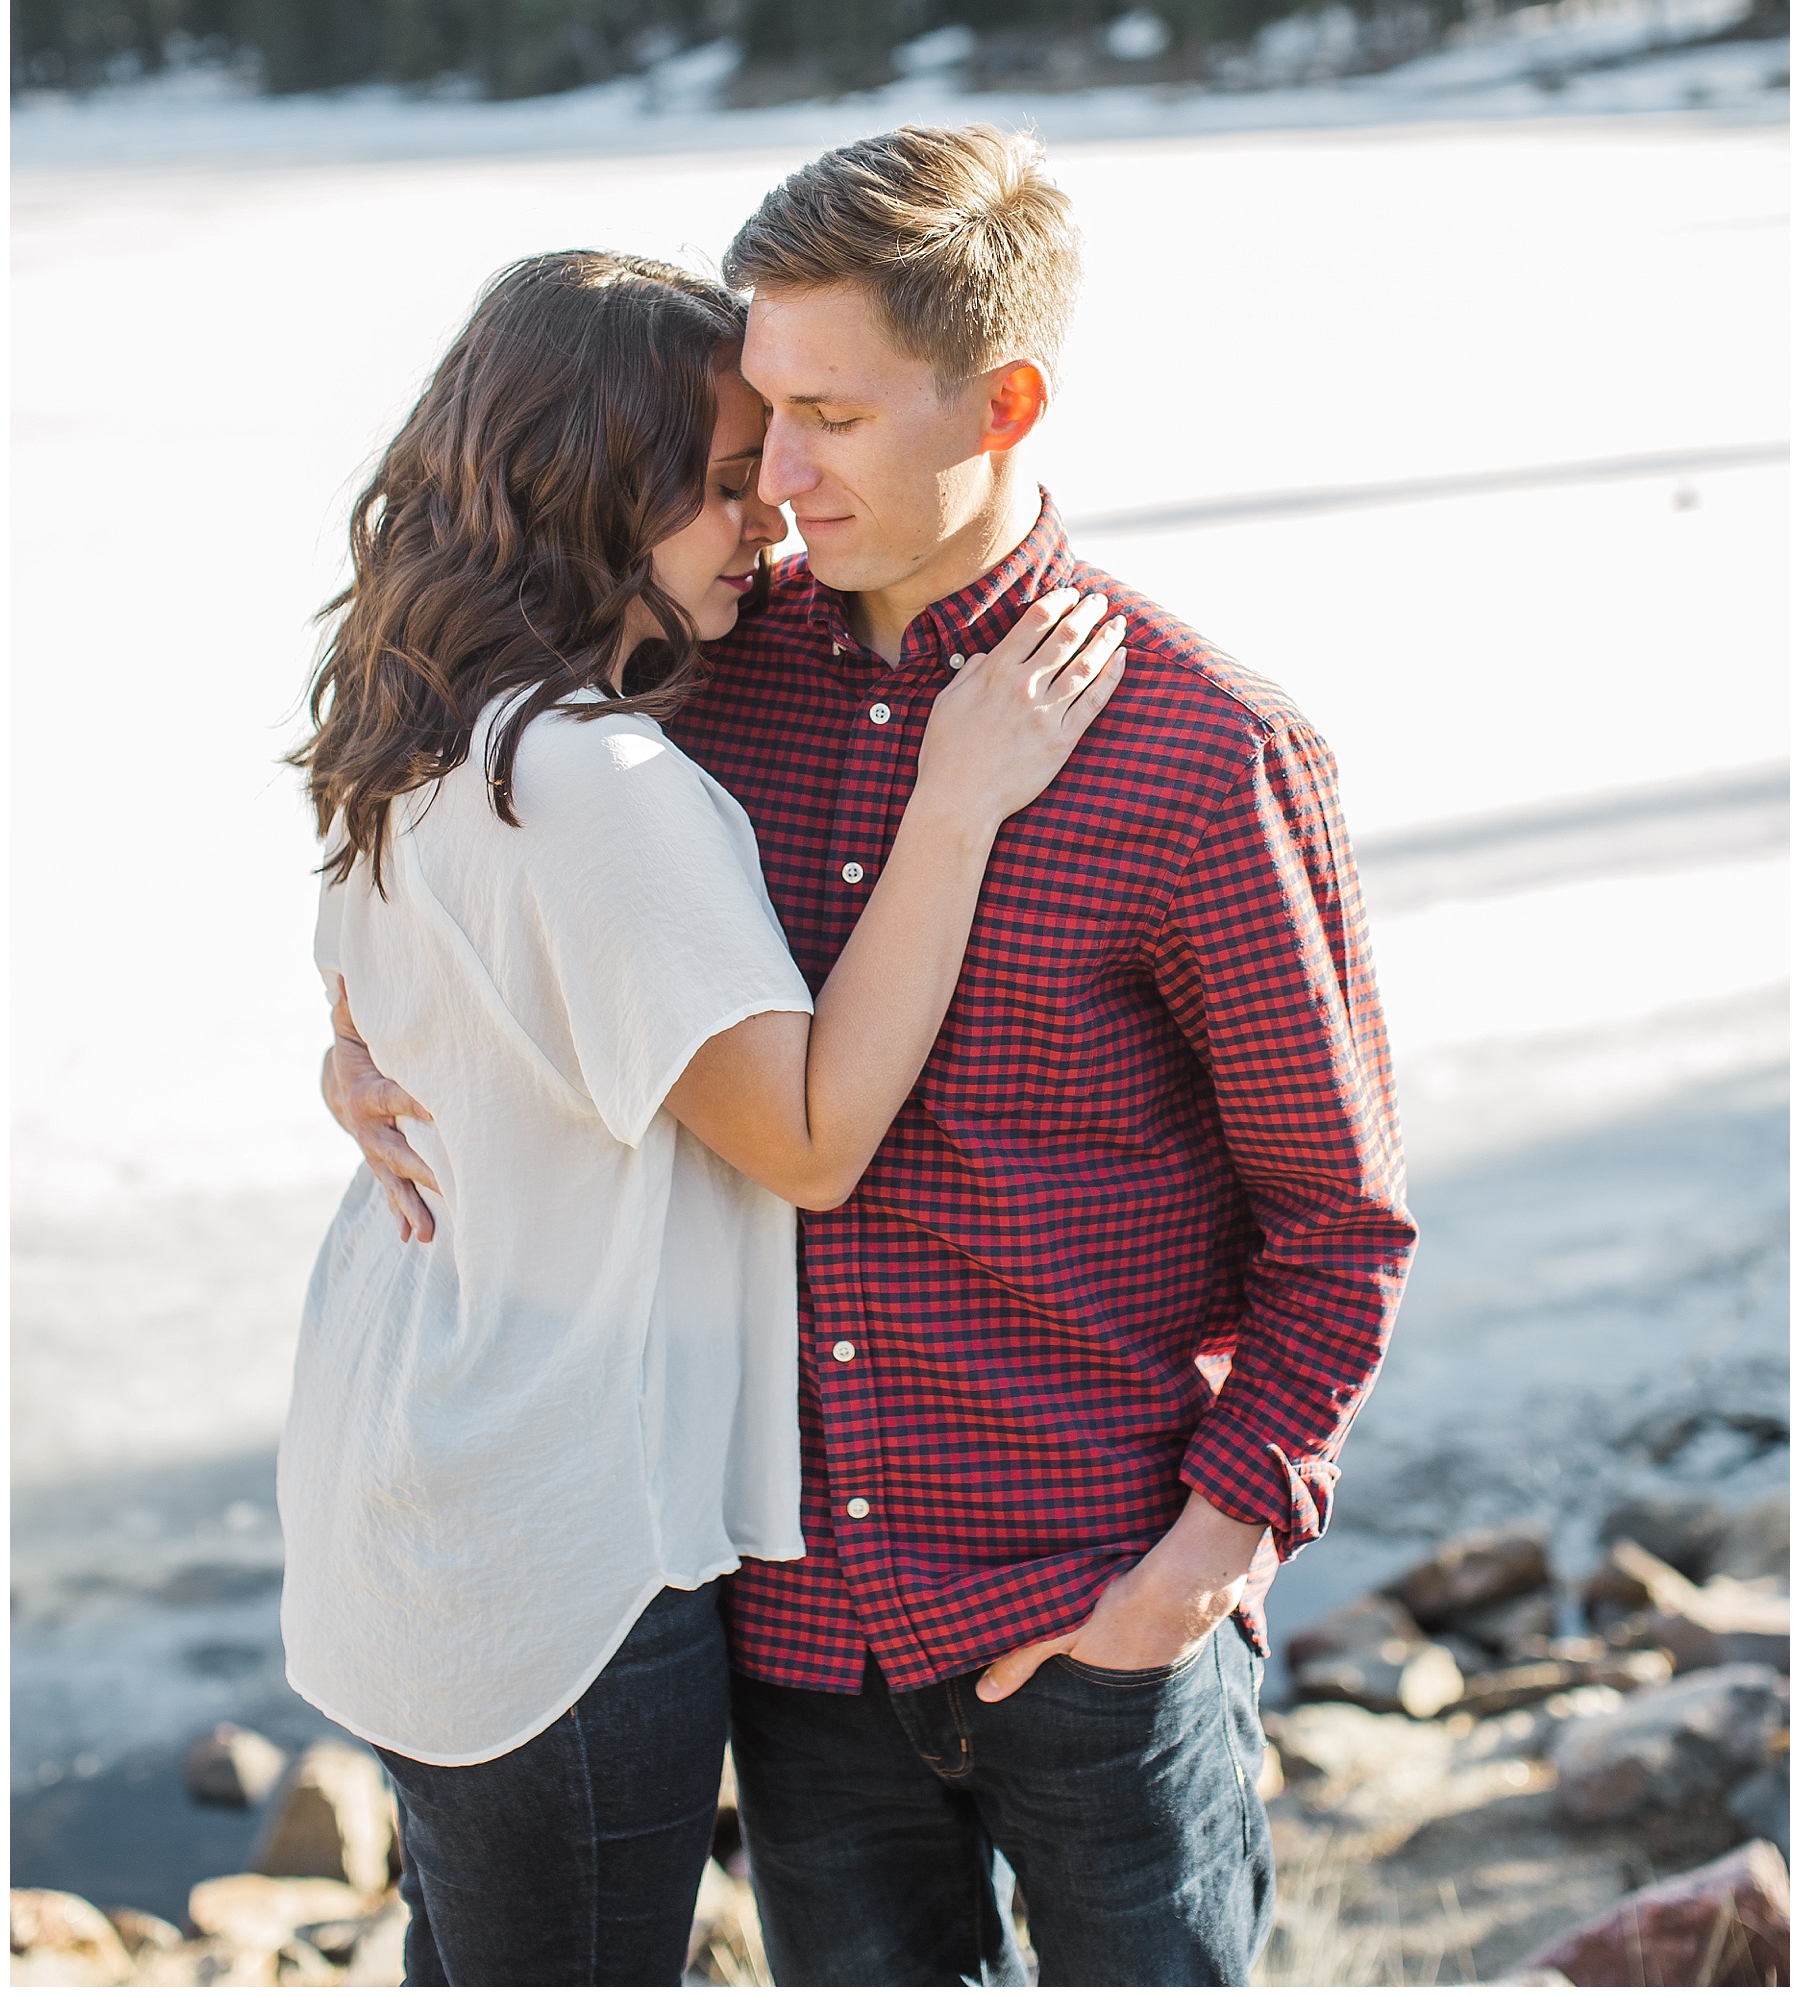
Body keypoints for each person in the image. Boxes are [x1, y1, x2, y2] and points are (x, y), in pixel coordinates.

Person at [332, 129, 1417, 1989]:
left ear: (1002, 400)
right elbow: (506, 866)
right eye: (762, 420)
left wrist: (1209, 1555)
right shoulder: (704, 679)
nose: (777, 484)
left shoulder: (1196, 750)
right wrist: (370, 1039)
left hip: (1094, 1619)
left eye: (826, 419)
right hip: (801, 1643)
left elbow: (1341, 1216)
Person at [280, 246, 1126, 1989]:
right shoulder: (600, 784)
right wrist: (956, 796)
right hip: (562, 1537)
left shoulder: (419, 717)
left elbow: (387, 1003)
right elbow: (810, 1136)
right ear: (597, 483)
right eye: (730, 480)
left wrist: (346, 1054)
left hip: (408, 1472)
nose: (775, 518)